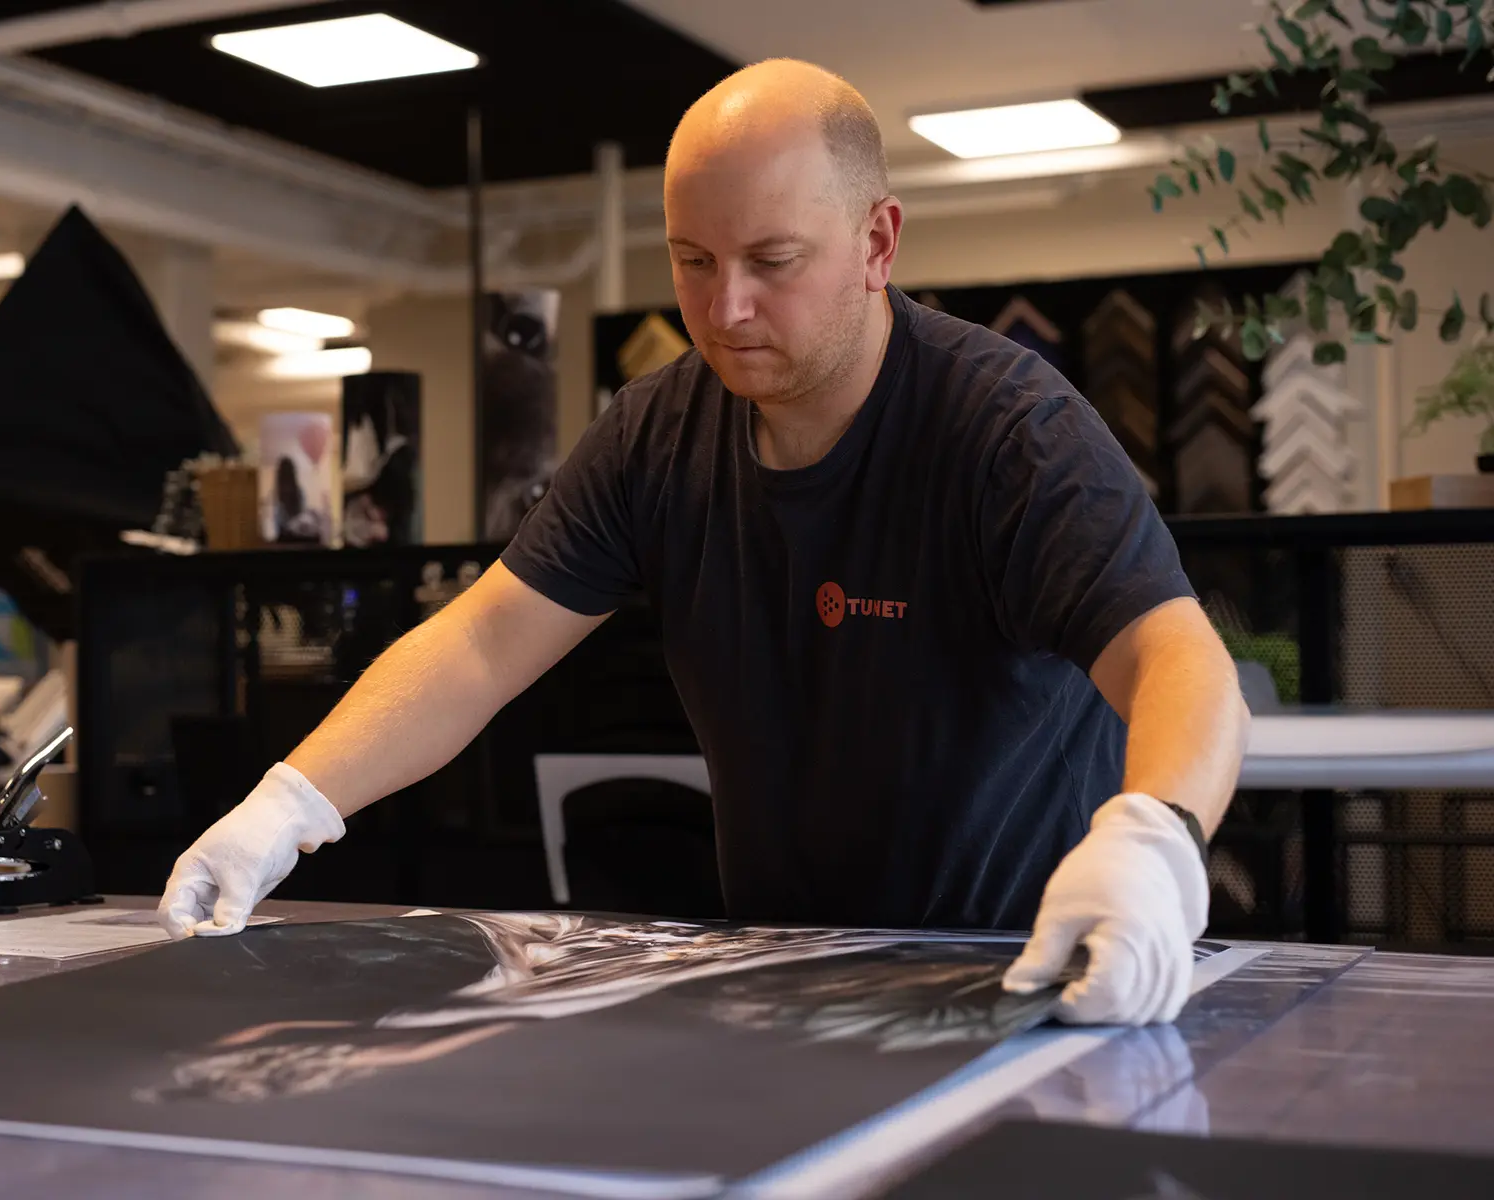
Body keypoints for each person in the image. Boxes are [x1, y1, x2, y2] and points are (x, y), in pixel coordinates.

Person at [158, 59, 1249, 1027]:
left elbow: (1180, 662)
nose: (725, 308)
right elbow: (481, 646)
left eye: (773, 260)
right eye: (692, 262)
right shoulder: (655, 433)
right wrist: (292, 802)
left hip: (1032, 980)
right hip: (785, 981)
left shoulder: (1007, 431)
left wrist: (1152, 844)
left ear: (878, 242)